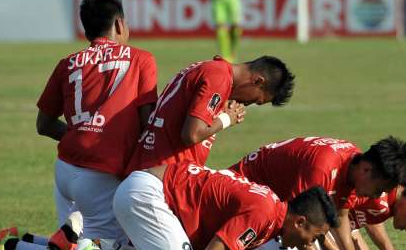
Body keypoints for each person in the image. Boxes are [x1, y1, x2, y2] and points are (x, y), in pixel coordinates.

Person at [0, 0, 159, 250]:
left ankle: (16, 245)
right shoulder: (141, 59)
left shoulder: (68, 63)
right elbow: (148, 121)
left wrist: (80, 134)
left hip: (65, 170)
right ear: (120, 25)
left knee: (74, 248)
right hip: (101, 175)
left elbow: (44, 124)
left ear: (86, 29)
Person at [0, 162, 338, 250]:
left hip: (147, 192)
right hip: (150, 196)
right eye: (315, 237)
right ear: (301, 221)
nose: (309, 244)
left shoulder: (270, 206)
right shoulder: (265, 211)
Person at [229, 136, 406, 250]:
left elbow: (341, 216)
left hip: (272, 204)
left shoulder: (351, 165)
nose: (378, 195)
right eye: (381, 187)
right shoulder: (322, 167)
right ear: (366, 170)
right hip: (244, 197)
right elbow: (297, 221)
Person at [126, 55, 294, 175]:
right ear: (258, 81)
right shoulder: (219, 77)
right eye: (255, 100)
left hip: (151, 167)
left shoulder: (214, 69)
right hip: (161, 174)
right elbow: (192, 135)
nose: (245, 105)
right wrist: (226, 119)